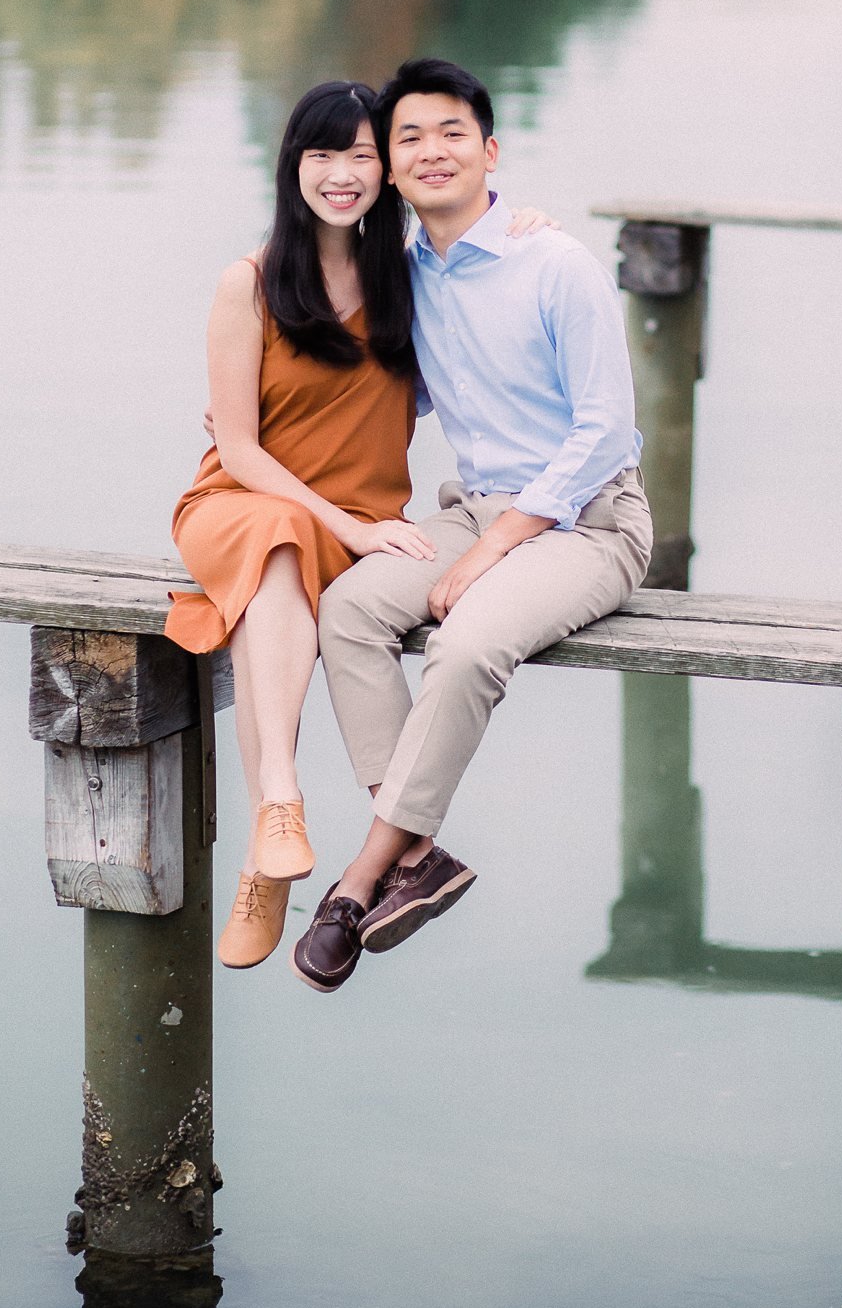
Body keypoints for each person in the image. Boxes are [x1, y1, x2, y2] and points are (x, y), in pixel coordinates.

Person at [165, 79, 552, 972]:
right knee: (277, 544)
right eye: (321, 154)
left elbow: (483, 284)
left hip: (358, 525)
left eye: (361, 155)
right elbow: (242, 450)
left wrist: (523, 227)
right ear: (292, 166)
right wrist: (356, 526)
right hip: (241, 505)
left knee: (285, 584)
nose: (341, 174)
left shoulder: (408, 276)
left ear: (386, 171)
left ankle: (271, 859)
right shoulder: (250, 281)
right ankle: (280, 801)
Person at [294, 58, 652, 994]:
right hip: (476, 510)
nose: (431, 150)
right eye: (408, 138)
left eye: (452, 132)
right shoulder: (404, 274)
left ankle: (361, 876)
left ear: (490, 151)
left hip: (590, 522)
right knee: (349, 610)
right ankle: (421, 855)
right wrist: (255, 425)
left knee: (462, 647)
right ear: (392, 173)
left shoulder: (555, 263)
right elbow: (379, 393)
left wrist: (496, 551)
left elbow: (605, 425)